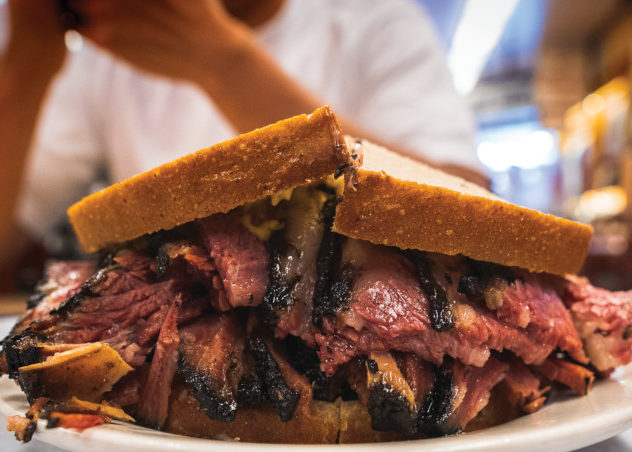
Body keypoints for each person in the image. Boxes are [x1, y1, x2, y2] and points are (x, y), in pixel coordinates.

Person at [0, 0, 484, 270]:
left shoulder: (373, 19)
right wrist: (29, 55)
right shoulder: (106, 55)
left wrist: (223, 63)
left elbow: (477, 220)